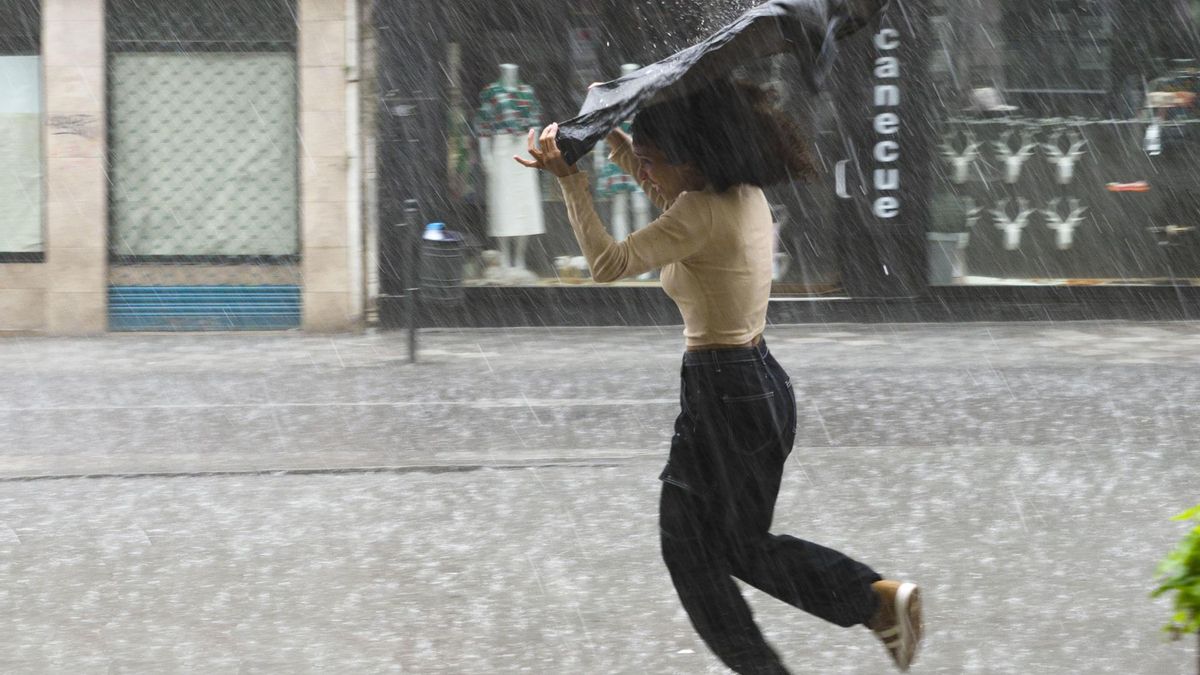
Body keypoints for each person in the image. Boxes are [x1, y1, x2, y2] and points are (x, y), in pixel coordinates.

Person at [515, 78, 923, 674]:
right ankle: (875, 603)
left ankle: (864, 607)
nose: (648, 176)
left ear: (691, 161)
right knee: (734, 545)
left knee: (692, 547)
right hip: (757, 386)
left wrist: (571, 182)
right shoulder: (735, 193)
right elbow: (669, 200)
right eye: (645, 165)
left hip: (723, 391)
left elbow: (607, 264)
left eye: (656, 165)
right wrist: (612, 134)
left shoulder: (700, 212)